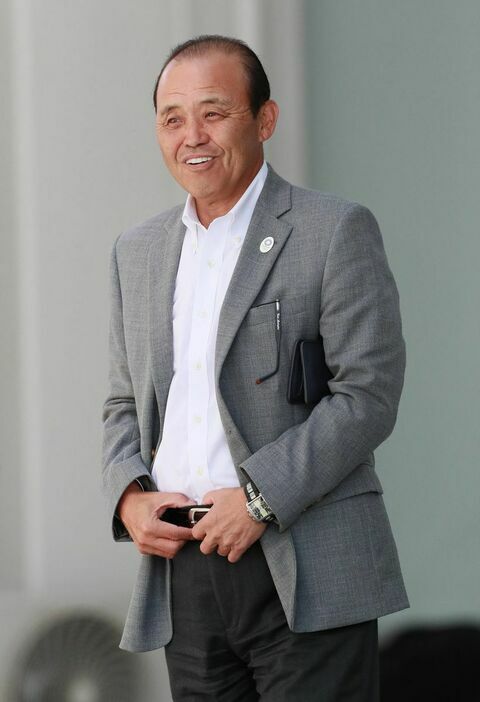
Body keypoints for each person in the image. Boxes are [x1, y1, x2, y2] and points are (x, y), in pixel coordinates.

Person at [102, 34, 408, 702]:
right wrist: (128, 496)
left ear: (264, 119)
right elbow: (124, 402)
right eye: (172, 119)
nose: (192, 136)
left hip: (306, 562)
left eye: (213, 112)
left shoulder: (334, 229)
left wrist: (260, 499)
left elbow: (368, 396)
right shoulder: (137, 251)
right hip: (185, 569)